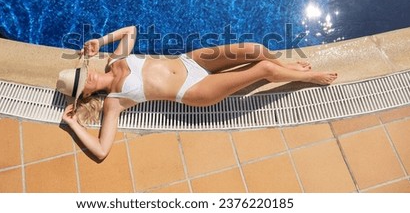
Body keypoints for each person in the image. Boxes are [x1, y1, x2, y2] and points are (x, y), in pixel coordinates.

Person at [57, 26, 337, 160]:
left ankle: (286, 64)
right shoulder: (114, 103)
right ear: (85, 94)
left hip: (190, 61)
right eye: (83, 81)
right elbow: (101, 151)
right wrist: (72, 124)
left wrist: (100, 40)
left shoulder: (113, 61)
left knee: (256, 50)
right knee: (263, 69)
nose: (88, 74)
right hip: (193, 90)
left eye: (82, 70)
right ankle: (308, 76)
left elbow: (131, 30)